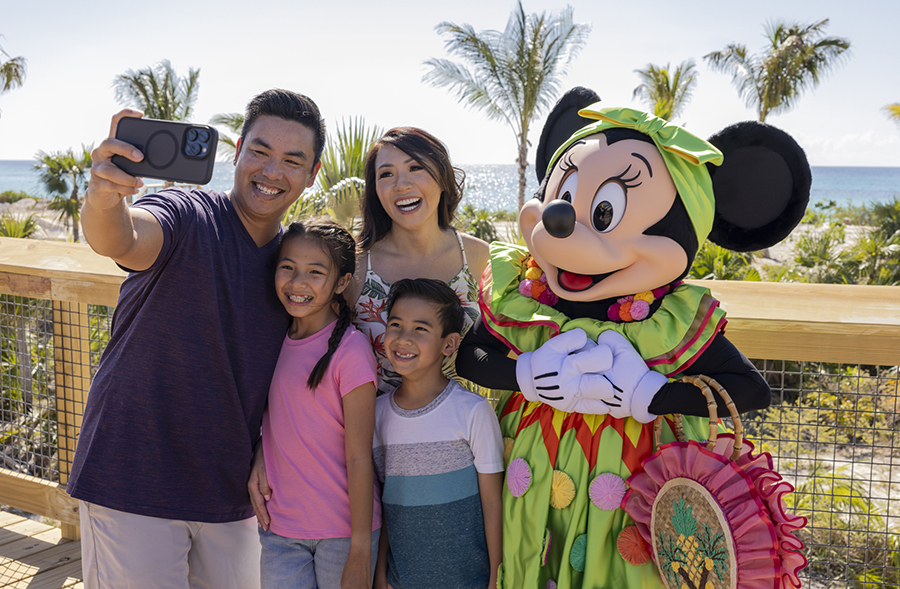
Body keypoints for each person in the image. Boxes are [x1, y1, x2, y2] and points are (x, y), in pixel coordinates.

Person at [67, 89, 325, 589]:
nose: (272, 171)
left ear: (312, 174)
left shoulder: (298, 268)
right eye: (260, 152)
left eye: (293, 161)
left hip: (232, 496)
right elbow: (120, 238)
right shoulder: (187, 211)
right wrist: (104, 195)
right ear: (237, 151)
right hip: (132, 480)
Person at [255, 218, 379, 589]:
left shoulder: (351, 351)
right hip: (280, 530)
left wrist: (359, 550)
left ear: (341, 282)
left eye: (315, 272)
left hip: (343, 534)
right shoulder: (269, 338)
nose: (297, 283)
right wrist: (261, 455)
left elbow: (359, 456)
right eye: (287, 268)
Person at [372, 278, 503, 589]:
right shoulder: (376, 415)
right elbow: (384, 502)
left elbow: (492, 502)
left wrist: (497, 575)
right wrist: (379, 573)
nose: (403, 338)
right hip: (401, 581)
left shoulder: (473, 411)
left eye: (420, 329)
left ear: (449, 344)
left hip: (469, 581)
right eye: (395, 324)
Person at [346, 127, 490, 395]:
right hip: (376, 433)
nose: (401, 184)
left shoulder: (480, 257)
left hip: (470, 430)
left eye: (415, 168)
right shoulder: (354, 267)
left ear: (443, 179)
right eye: (386, 174)